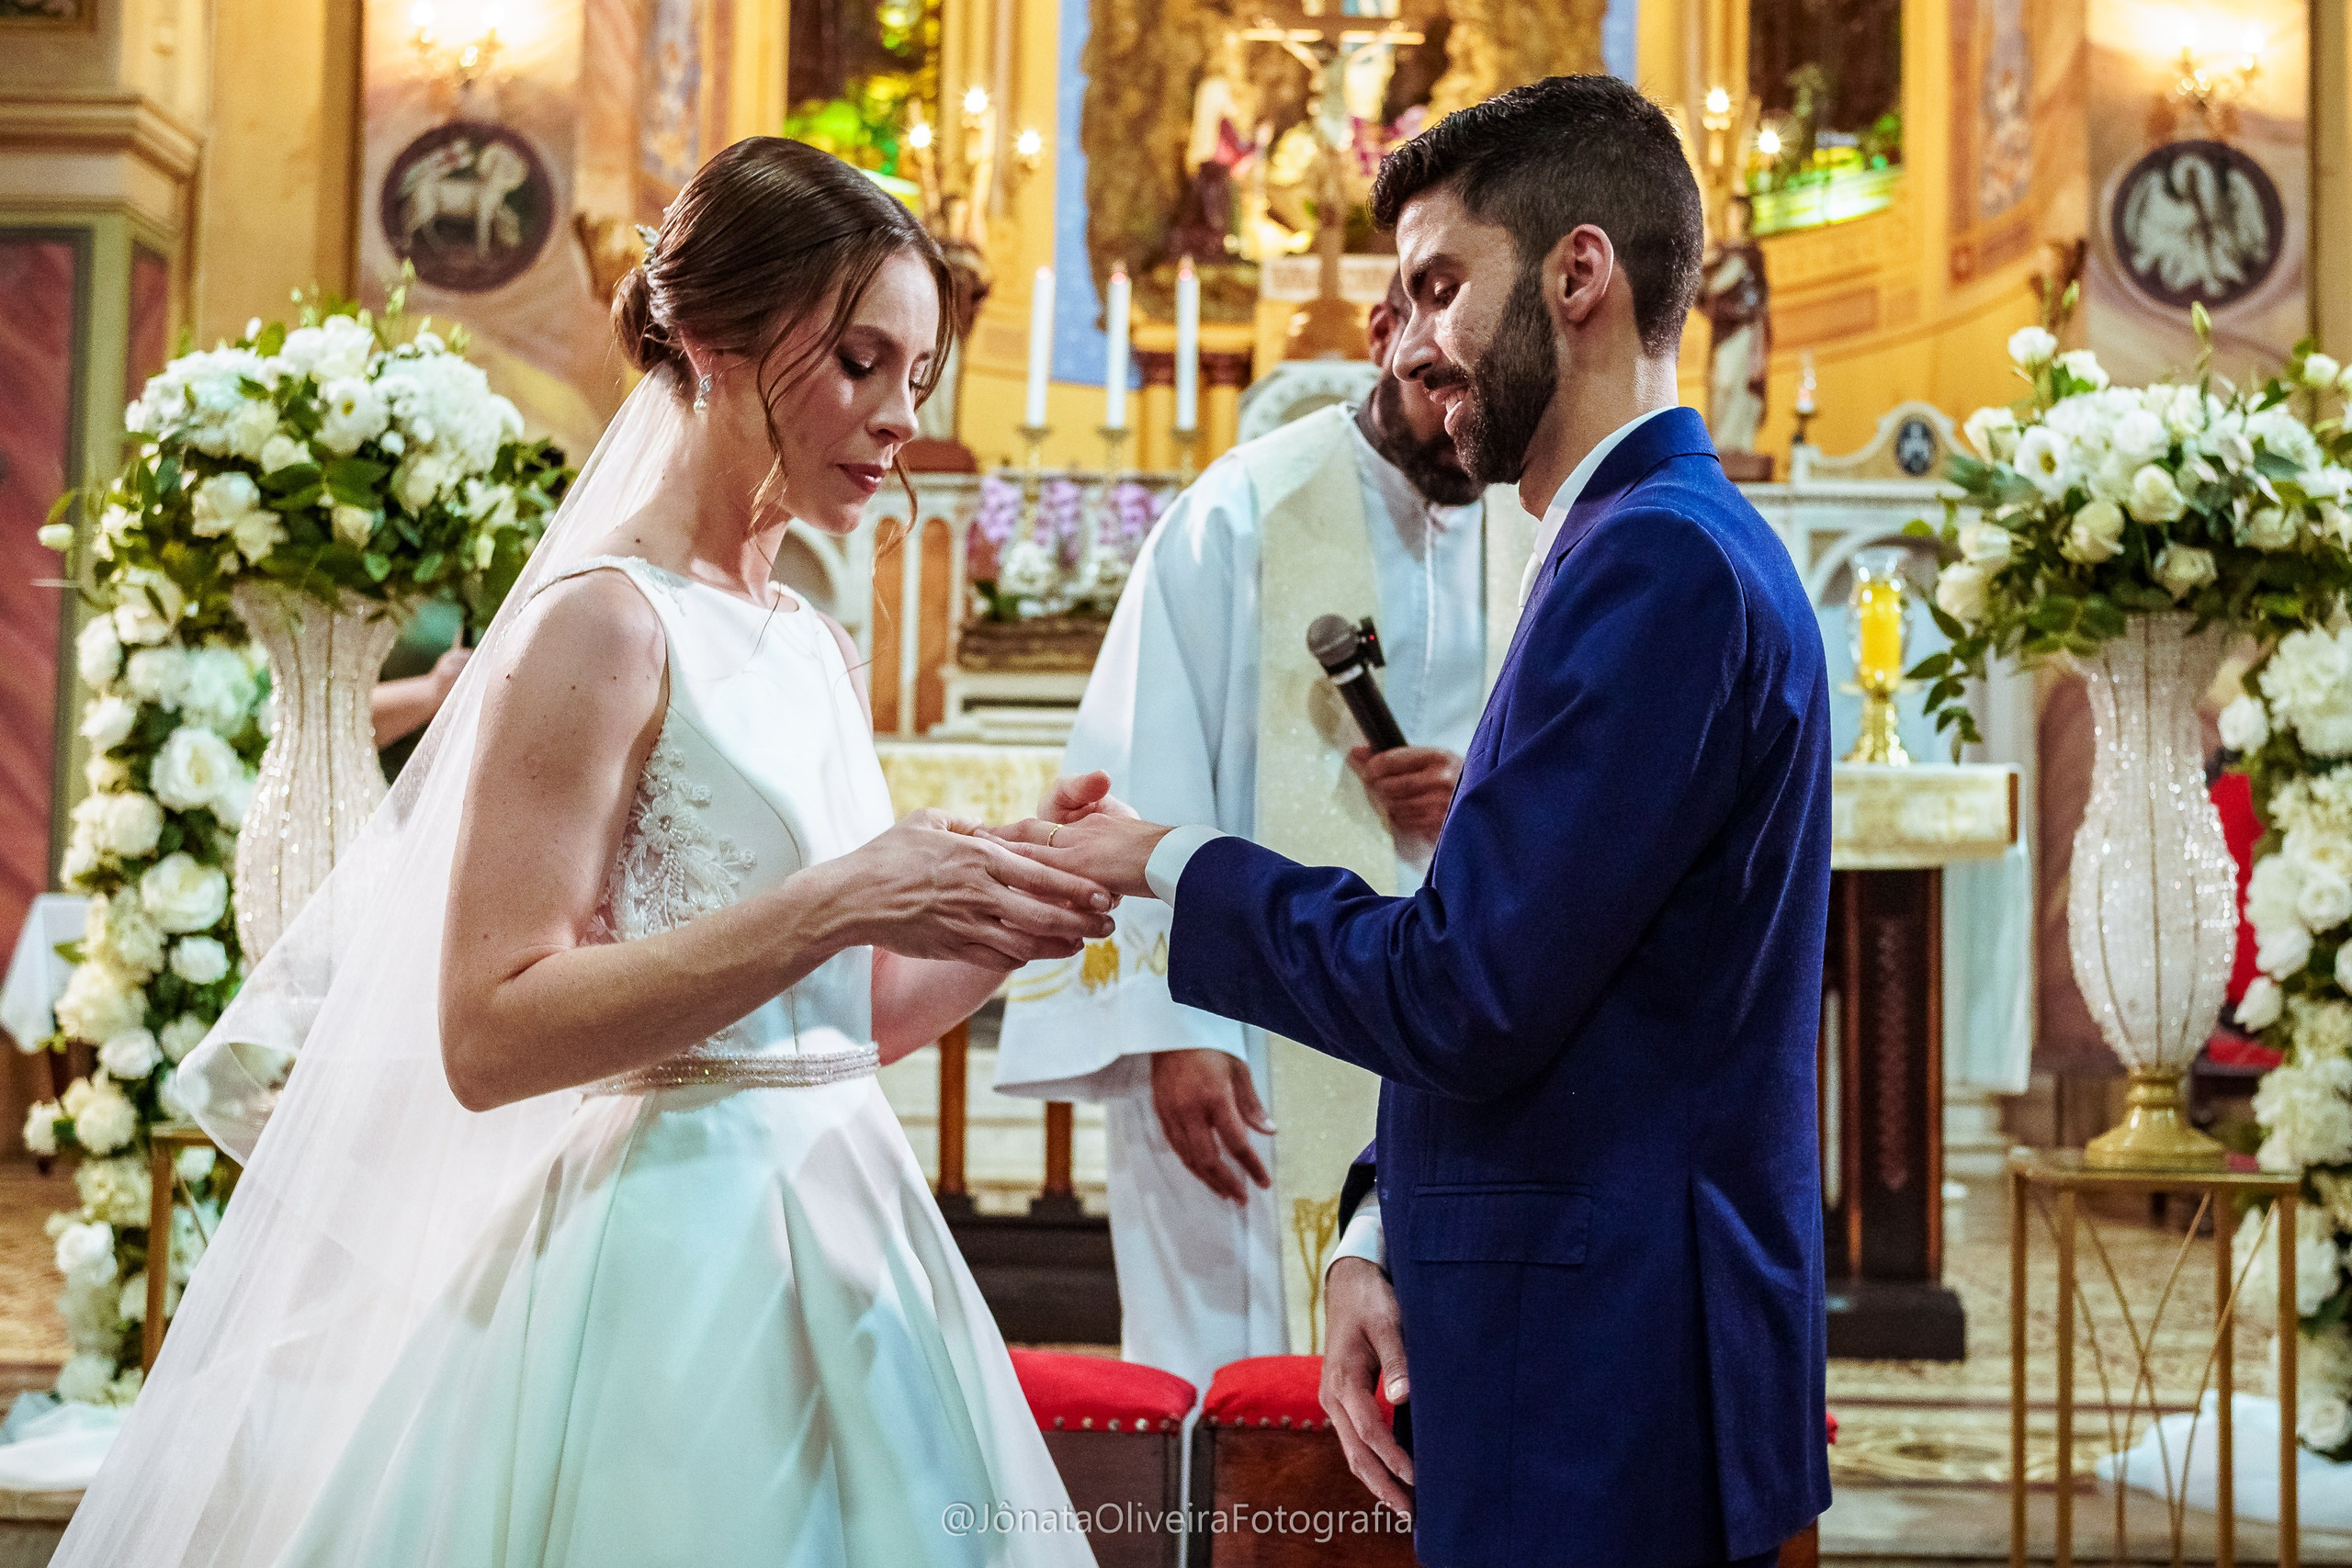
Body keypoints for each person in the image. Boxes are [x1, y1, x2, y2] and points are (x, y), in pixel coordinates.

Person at [54, 139, 1113, 1568]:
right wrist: (834, 898)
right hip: (672, 1263)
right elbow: (489, 1030)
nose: (899, 418)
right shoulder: (601, 624)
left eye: (917, 375)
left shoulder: (807, 635)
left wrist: (1004, 913)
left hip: (853, 1221)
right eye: (862, 362)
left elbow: (840, 1021)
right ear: (709, 337)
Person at [997, 76, 1834, 1568]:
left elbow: (1465, 987)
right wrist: (1380, 1232)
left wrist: (1163, 860)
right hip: (1555, 1326)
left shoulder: (1657, 564)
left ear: (1580, 274)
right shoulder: (1623, 545)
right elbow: (1548, 970)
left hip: (1605, 1367)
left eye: (1440, 284)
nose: (1410, 340)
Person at [993, 273, 1530, 1393]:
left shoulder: (1530, 524)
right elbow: (1140, 771)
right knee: (1230, 1379)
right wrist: (1175, 1027)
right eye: (1434, 384)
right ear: (1384, 338)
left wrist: (1476, 791)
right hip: (1242, 1044)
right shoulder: (1240, 510)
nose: (1454, 420)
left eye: (1476, 394)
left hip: (1449, 1019)